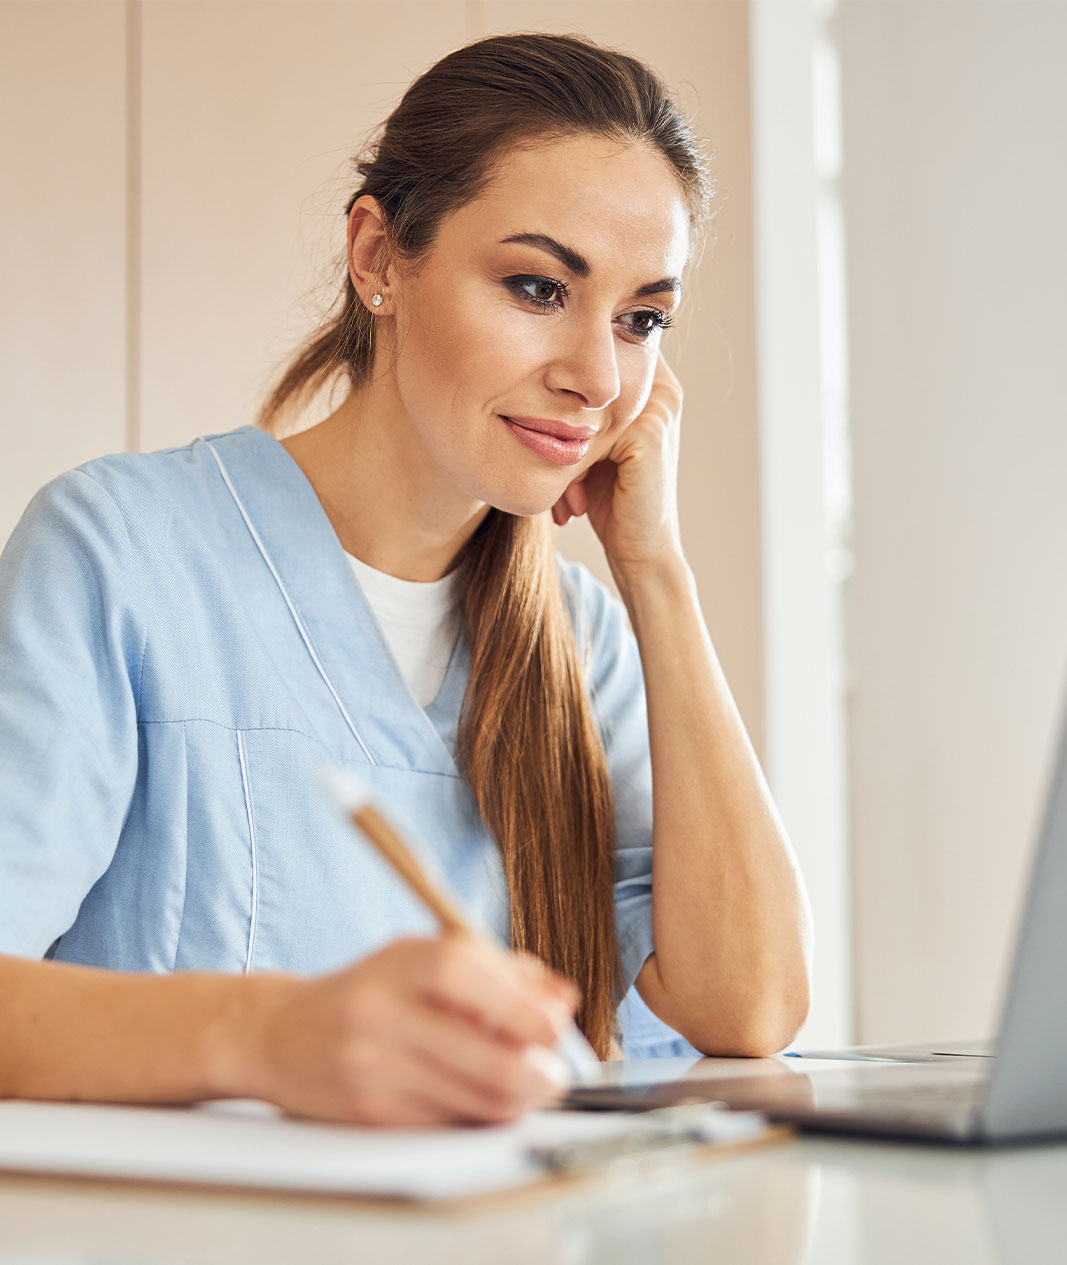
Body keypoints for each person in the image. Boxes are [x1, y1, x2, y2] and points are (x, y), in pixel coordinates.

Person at [0, 32, 812, 1127]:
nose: (597, 376)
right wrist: (268, 1039)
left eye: (641, 319)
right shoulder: (119, 552)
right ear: (378, 257)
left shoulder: (582, 639)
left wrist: (652, 567)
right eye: (536, 286)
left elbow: (748, 1009)